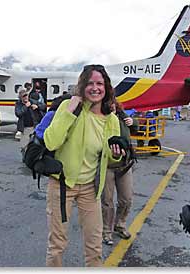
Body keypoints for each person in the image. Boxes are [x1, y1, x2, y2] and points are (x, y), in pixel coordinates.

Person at [43, 64, 125, 267]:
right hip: (62, 186)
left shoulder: (112, 120)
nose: (95, 88)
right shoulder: (68, 109)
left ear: (106, 87)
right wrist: (69, 110)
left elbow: (110, 159)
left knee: (94, 246)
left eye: (99, 83)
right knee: (57, 245)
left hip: (91, 188)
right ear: (82, 86)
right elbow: (51, 141)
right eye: (89, 83)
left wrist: (116, 155)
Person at [102, 100, 138, 245]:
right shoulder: (101, 119)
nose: (111, 105)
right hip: (107, 165)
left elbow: (134, 130)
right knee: (107, 201)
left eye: (113, 102)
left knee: (127, 199)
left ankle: (120, 224)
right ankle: (107, 231)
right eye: (108, 103)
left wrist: (133, 122)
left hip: (124, 164)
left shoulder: (123, 117)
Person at [14, 89, 36, 154]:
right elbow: (18, 113)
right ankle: (24, 156)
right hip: (25, 127)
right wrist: (25, 106)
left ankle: (30, 157)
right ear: (21, 97)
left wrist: (37, 106)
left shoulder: (31, 101)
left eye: (27, 95)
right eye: (24, 96)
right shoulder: (18, 104)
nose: (26, 97)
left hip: (33, 126)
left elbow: (43, 106)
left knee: (33, 144)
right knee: (24, 145)